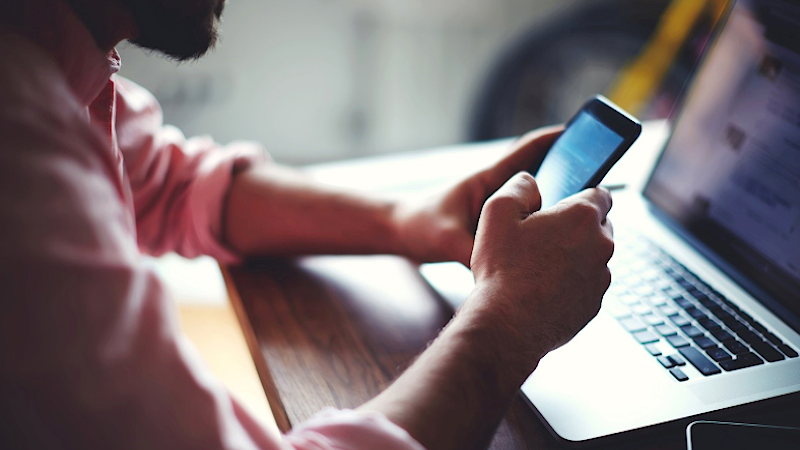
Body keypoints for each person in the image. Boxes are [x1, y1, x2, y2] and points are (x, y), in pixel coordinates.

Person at [0, 0, 614, 449]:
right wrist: (508, 323)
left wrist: (411, 220)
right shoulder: (17, 130)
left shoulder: (52, 57)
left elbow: (165, 182)